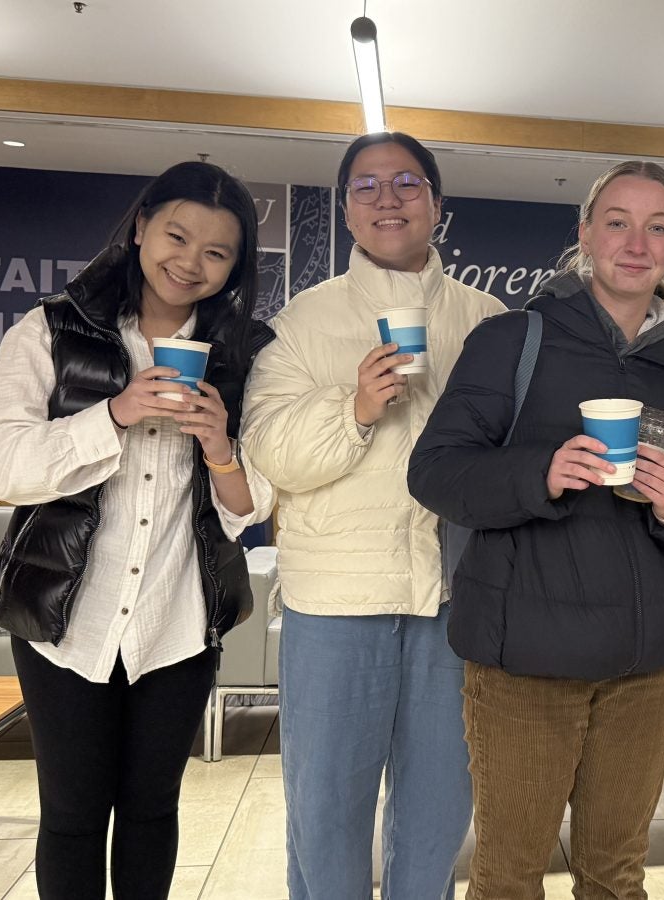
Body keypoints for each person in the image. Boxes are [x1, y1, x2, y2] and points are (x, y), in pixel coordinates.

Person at [407, 160, 664, 899]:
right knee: (511, 876)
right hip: (524, 666)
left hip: (642, 672)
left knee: (616, 876)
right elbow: (435, 474)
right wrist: (540, 474)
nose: (635, 242)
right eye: (616, 221)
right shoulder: (513, 340)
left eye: (657, 227)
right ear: (585, 233)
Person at [0, 160, 275, 899]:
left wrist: (218, 446)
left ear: (235, 267)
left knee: (152, 812)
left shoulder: (247, 353)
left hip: (178, 621)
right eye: (176, 236)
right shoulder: (51, 328)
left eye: (217, 253)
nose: (190, 262)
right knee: (72, 816)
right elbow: (4, 467)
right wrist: (114, 413)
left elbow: (252, 507)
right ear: (140, 226)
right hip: (63, 621)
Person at [240, 132, 505, 899]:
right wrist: (354, 408)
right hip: (337, 605)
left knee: (437, 817)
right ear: (346, 212)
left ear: (437, 205)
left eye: (407, 183)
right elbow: (271, 455)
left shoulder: (489, 321)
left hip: (453, 604)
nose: (388, 199)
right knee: (325, 820)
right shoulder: (302, 321)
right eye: (366, 187)